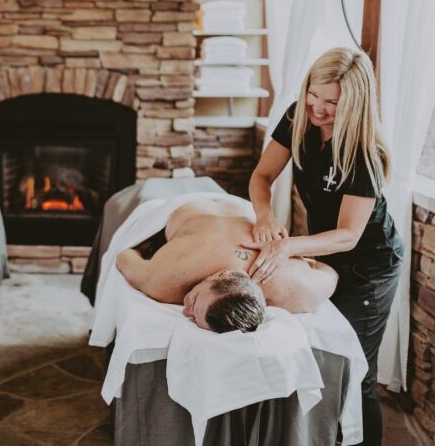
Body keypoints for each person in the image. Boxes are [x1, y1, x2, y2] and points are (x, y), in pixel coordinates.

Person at [248, 47, 402, 446]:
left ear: (354, 103)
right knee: (321, 355)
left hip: (370, 266)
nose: (317, 109)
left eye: (332, 103)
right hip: (326, 258)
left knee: (355, 368)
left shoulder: (365, 151)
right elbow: (263, 175)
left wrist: (289, 248)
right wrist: (265, 216)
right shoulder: (297, 116)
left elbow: (349, 235)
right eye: (314, 95)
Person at [116, 197, 339, 333]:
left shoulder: (297, 287)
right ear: (221, 274)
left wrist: (290, 250)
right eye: (193, 301)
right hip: (187, 204)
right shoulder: (164, 280)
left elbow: (331, 273)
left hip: (241, 206)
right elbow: (123, 255)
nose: (185, 310)